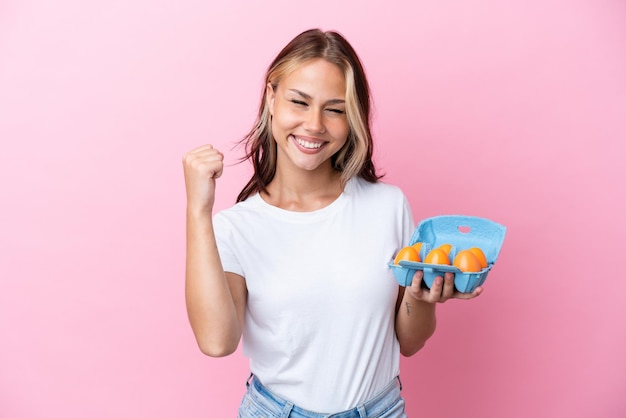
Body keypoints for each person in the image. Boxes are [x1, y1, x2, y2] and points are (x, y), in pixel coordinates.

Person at [182, 28, 482, 418]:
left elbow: (409, 341)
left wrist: (422, 297)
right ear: (272, 98)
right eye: (299, 102)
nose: (314, 124)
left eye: (335, 109)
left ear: (352, 117)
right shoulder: (235, 228)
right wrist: (197, 211)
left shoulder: (387, 206)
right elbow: (217, 341)